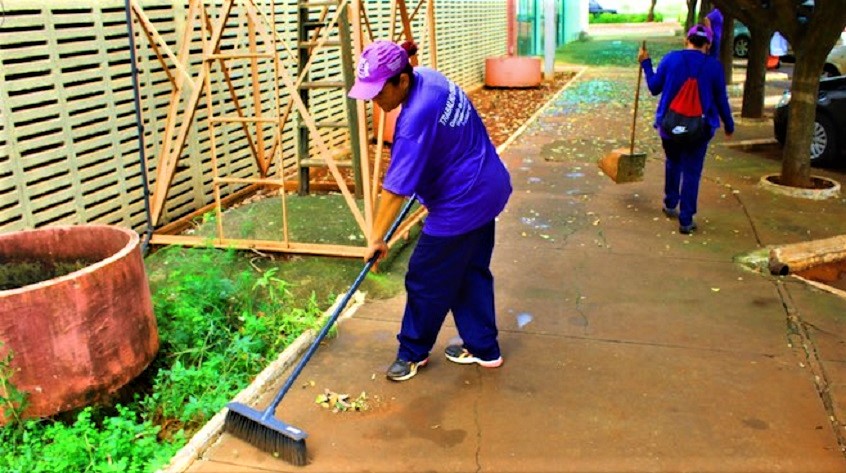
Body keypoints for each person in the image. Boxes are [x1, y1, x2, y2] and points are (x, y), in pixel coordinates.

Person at [347, 40, 512, 382]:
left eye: (379, 92)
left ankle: (412, 353)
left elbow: (395, 189)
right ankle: (484, 348)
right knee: (470, 270)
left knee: (425, 278)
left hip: (462, 203)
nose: (374, 101)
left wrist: (376, 238)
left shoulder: (413, 118)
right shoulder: (431, 78)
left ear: (401, 81)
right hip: (489, 185)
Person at [638, 24, 734, 235]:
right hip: (700, 129)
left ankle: (670, 203)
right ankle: (686, 219)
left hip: (669, 125)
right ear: (708, 45)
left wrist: (646, 63)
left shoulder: (671, 59)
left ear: (686, 40)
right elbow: (721, 100)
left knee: (673, 162)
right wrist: (729, 124)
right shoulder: (713, 67)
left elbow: (654, 87)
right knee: (692, 171)